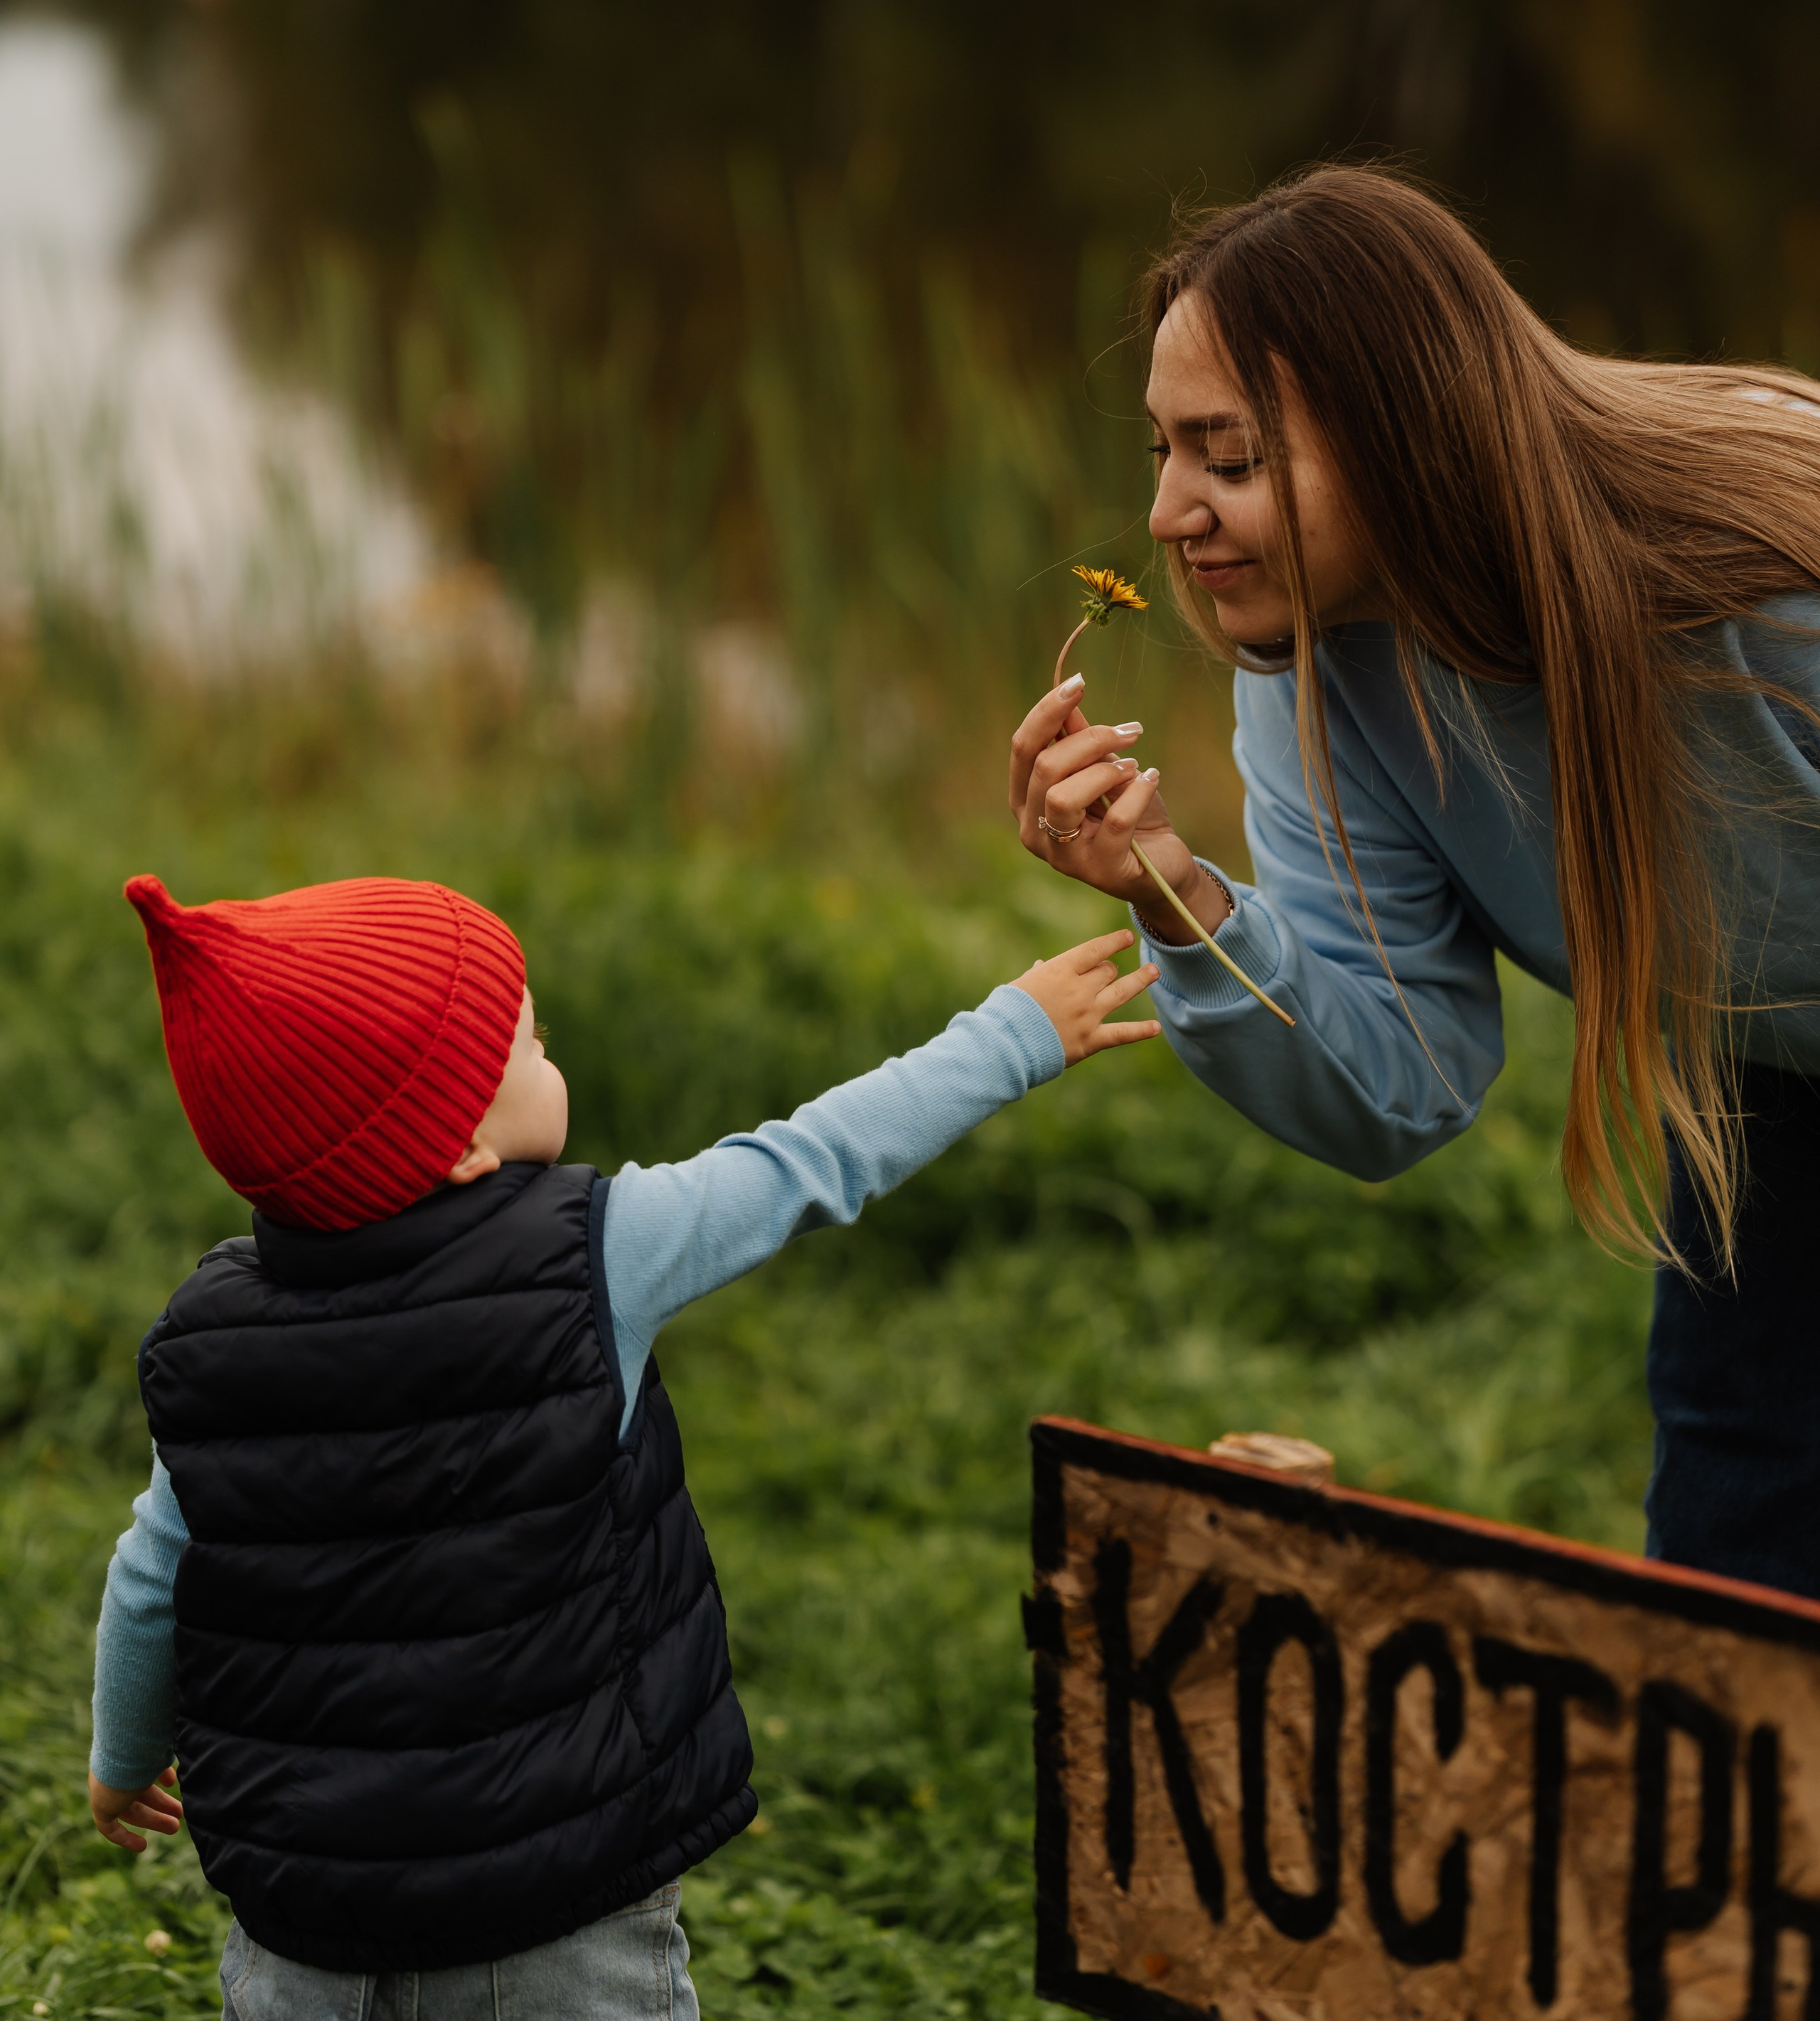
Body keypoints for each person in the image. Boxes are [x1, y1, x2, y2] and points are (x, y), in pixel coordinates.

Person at [87, 870, 1157, 2015]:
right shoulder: (593, 1258)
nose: (558, 1060)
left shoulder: (213, 1352)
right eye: (532, 1048)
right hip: (556, 1916)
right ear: (457, 1151)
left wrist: (119, 1759)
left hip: (304, 1933)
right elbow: (813, 1160)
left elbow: (153, 1580)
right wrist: (1015, 1036)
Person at [1011, 163, 1820, 1602]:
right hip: (1757, 1085)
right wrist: (1173, 896)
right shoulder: (1320, 669)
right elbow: (1397, 1075)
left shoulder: (1761, 561)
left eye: (1227, 458)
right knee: (1730, 1584)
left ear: (1401, 435)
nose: (1165, 514)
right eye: (1161, 453)